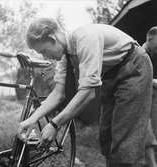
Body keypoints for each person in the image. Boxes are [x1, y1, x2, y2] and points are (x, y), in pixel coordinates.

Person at [18, 18, 153, 167]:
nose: (44, 57)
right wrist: (32, 119)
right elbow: (57, 94)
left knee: (125, 141)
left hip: (133, 67)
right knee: (107, 137)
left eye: (43, 51)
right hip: (111, 74)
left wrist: (54, 124)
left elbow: (88, 93)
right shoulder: (66, 57)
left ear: (52, 38)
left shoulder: (85, 38)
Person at [142, 26, 157, 167]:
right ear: (150, 39)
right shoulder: (140, 53)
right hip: (142, 97)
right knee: (147, 131)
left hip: (155, 96)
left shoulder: (155, 52)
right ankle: (151, 163)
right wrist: (153, 81)